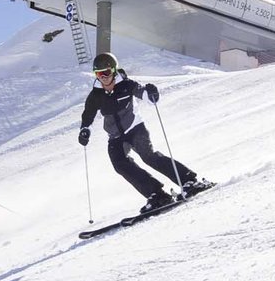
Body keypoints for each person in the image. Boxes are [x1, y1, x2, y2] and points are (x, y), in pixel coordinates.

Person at [77, 52, 212, 213]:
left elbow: (144, 95)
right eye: (99, 74)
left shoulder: (127, 85)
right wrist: (85, 130)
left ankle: (189, 181)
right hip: (115, 137)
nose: (104, 77)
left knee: (149, 156)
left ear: (113, 70)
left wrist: (151, 93)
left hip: (135, 128)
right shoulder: (95, 96)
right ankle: (157, 194)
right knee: (120, 165)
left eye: (106, 72)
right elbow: (88, 116)